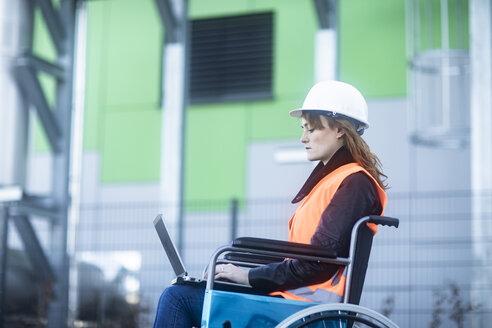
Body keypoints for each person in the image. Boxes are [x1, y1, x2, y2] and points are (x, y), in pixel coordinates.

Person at [153, 80, 388, 327]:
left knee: (178, 299)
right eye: (303, 129)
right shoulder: (335, 181)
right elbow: (309, 260)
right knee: (189, 292)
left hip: (309, 308)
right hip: (293, 298)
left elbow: (317, 265)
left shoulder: (354, 183)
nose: (302, 138)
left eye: (311, 129)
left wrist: (249, 276)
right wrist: (242, 275)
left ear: (340, 130)